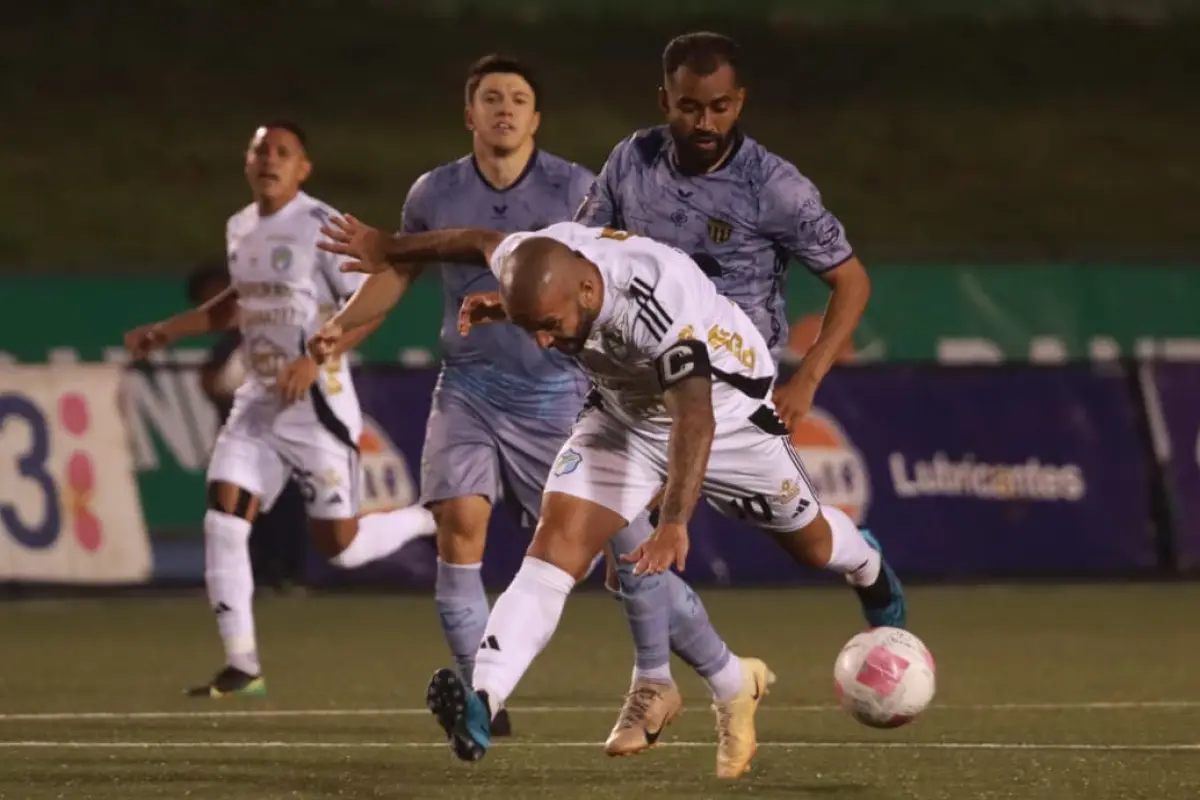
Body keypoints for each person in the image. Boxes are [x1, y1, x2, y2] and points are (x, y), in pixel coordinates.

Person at [315, 218, 895, 778]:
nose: (542, 339)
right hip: (623, 413)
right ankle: (481, 701)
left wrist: (672, 522)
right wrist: (391, 246)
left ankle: (867, 565)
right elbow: (477, 240)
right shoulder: (541, 259)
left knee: (814, 546)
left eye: (547, 323)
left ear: (588, 289)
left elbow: (694, 419)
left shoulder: (658, 303)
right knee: (554, 548)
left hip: (729, 418)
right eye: (531, 325)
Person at [310, 55, 752, 745]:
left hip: (562, 394)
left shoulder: (573, 187)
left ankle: (673, 674)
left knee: (631, 552)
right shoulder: (435, 191)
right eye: (490, 98)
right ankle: (481, 703)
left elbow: (618, 274)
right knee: (458, 526)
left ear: (536, 117)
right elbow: (399, 272)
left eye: (518, 98)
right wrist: (341, 327)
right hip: (469, 388)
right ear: (470, 114)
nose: (504, 109)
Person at [574, 29, 907, 731]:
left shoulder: (773, 187)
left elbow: (850, 281)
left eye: (720, 107)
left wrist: (808, 378)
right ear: (664, 99)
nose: (705, 123)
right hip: (638, 392)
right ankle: (655, 687)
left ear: (740, 101)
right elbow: (581, 251)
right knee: (625, 542)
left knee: (812, 546)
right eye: (689, 108)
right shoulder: (630, 163)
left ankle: (867, 564)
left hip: (732, 397)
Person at [123, 122, 436, 698]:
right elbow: (238, 305)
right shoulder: (241, 226)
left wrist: (319, 358)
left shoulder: (321, 225)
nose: (270, 159)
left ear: (303, 169)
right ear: (247, 163)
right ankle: (243, 664)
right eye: (260, 150)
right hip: (260, 400)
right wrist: (169, 330)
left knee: (338, 549)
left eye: (283, 152)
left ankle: (425, 518)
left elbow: (375, 298)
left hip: (317, 404)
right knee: (222, 519)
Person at [188, 261, 309, 592]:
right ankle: (253, 574)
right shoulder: (226, 348)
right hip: (243, 438)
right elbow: (213, 385)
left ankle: (288, 572)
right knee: (240, 509)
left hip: (284, 436)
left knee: (286, 505)